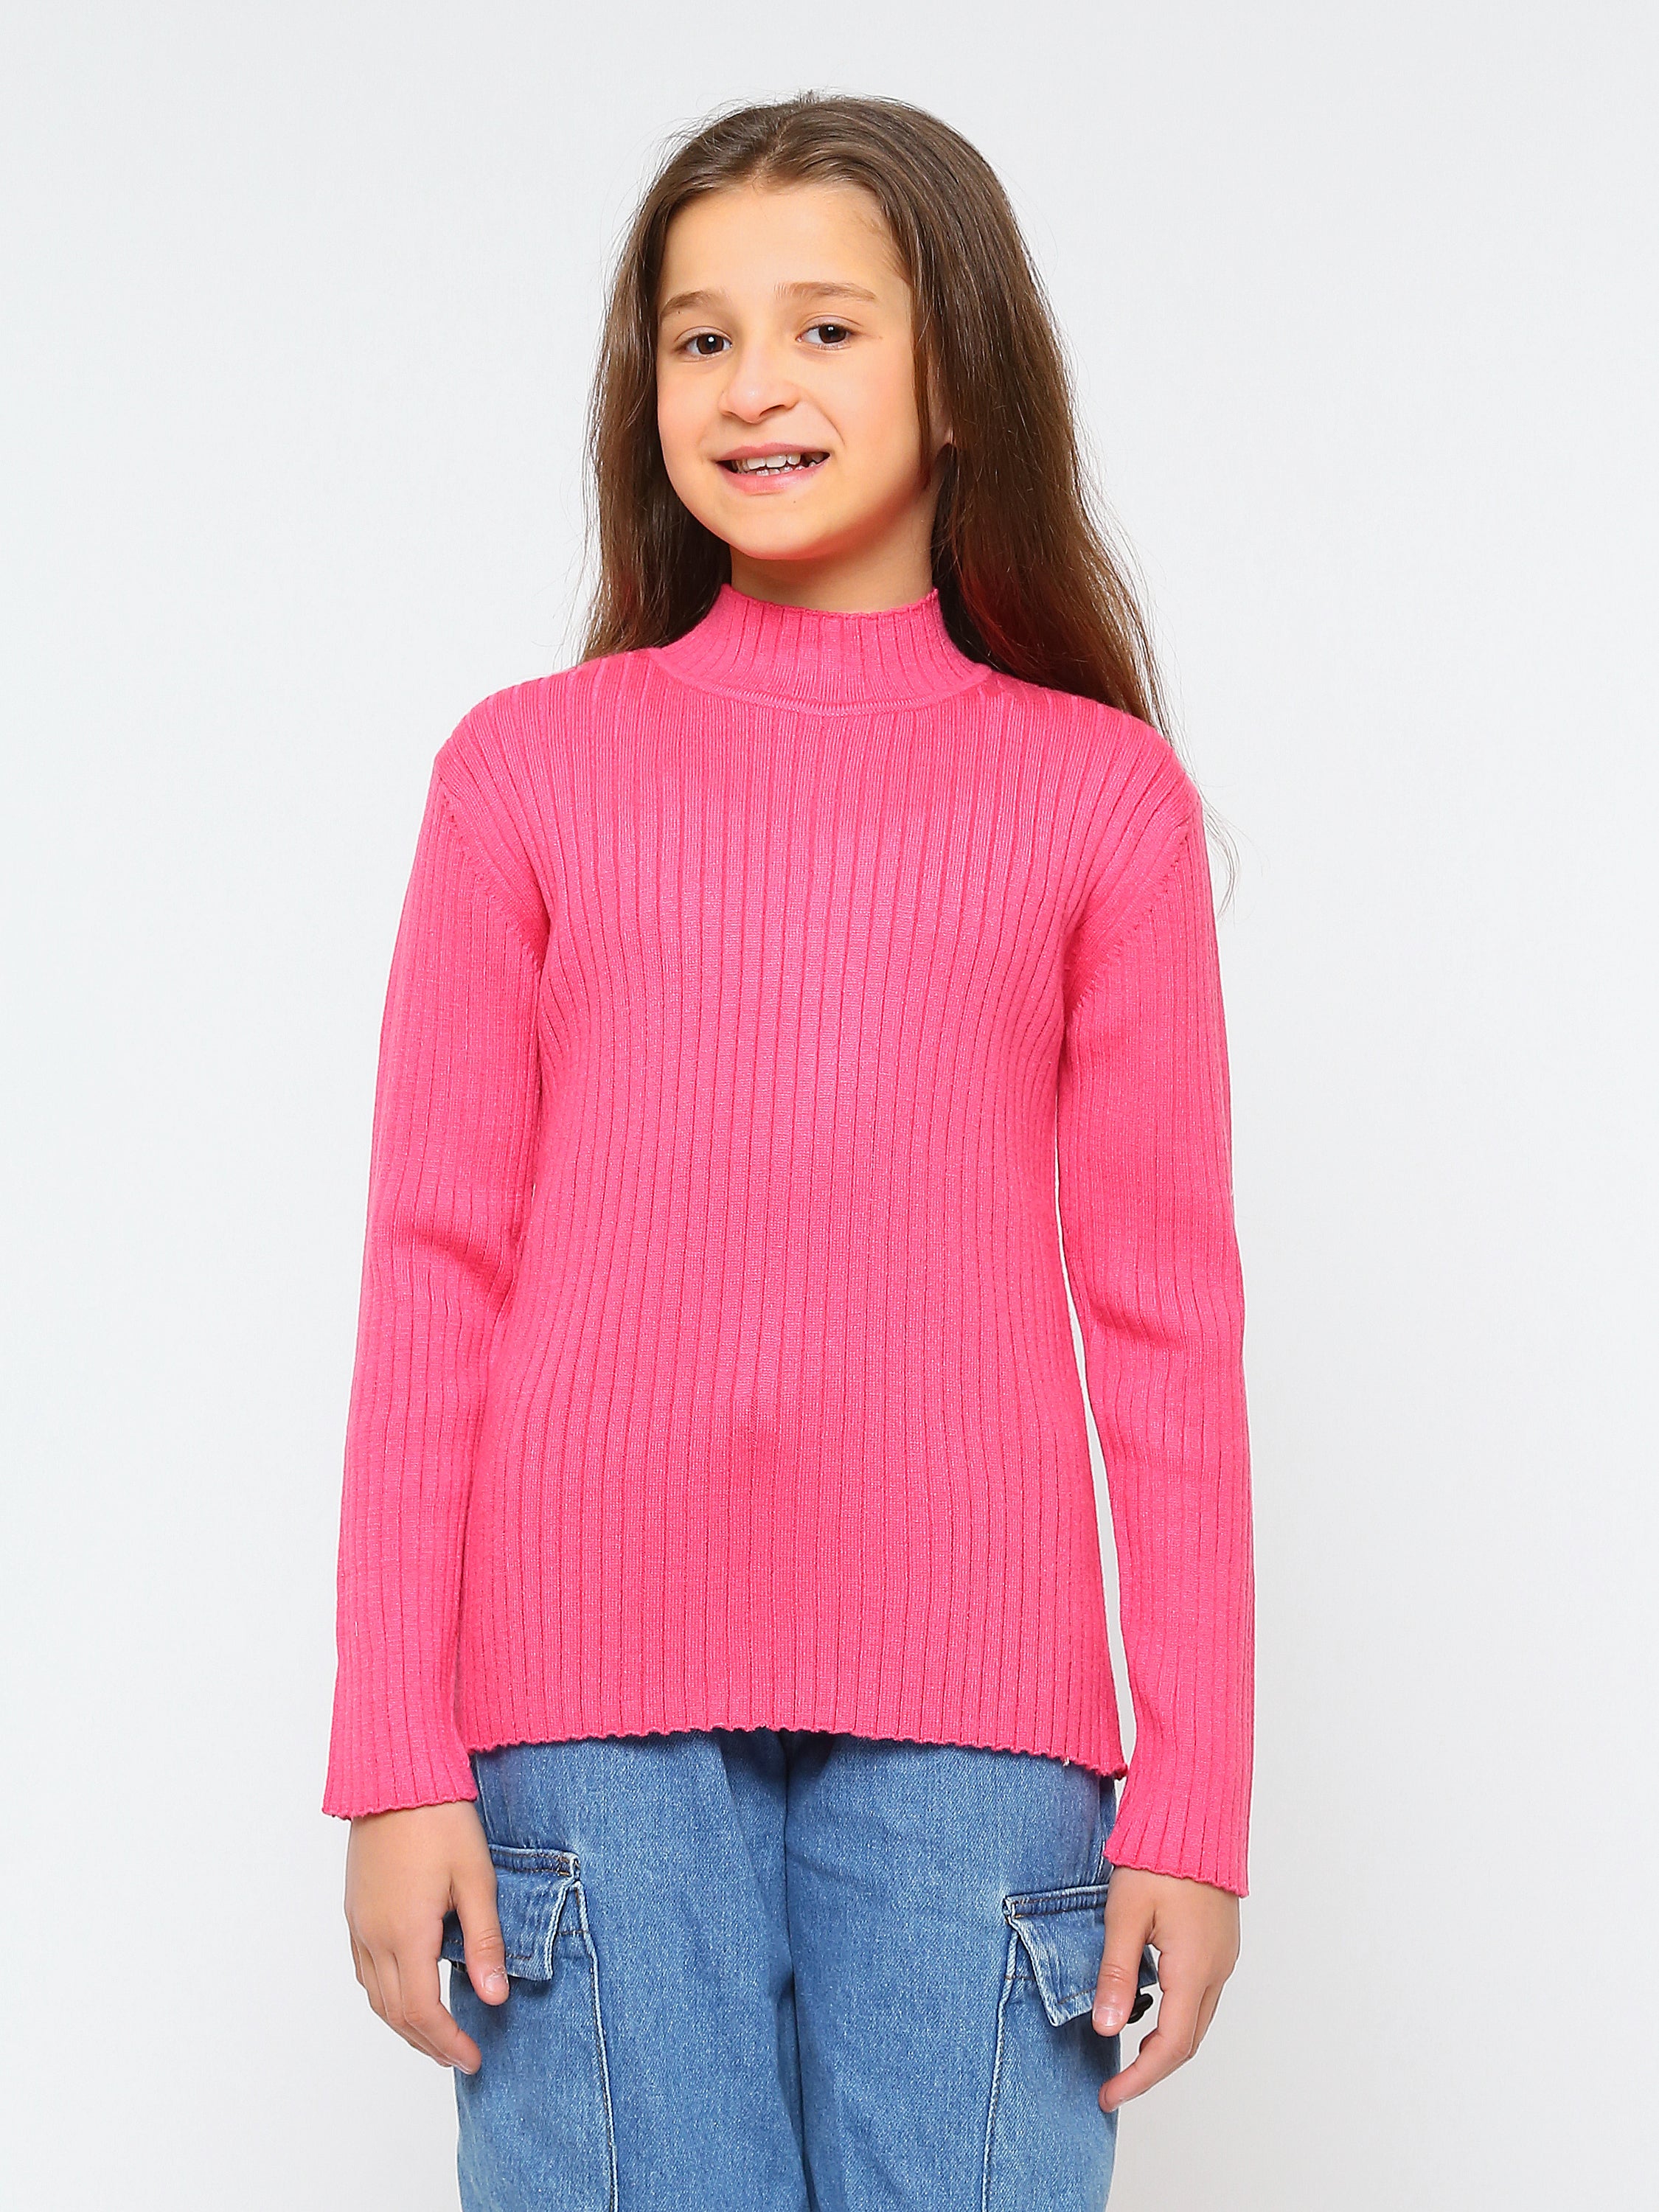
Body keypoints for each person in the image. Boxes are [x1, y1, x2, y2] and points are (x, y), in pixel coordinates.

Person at [324, 91, 1254, 2212]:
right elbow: (433, 1264)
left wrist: (1192, 1804)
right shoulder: (525, 776)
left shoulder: (1100, 800)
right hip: (576, 1715)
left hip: (982, 1723)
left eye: (826, 327)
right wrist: (392, 1753)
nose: (755, 384)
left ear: (959, 371)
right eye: (700, 336)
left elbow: (1165, 1318)